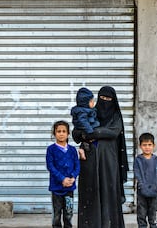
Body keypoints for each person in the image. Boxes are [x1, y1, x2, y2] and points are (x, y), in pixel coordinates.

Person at [72, 85, 129, 228]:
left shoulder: (116, 117)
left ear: (113, 100)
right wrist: (85, 134)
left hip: (109, 161)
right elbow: (75, 133)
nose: (105, 101)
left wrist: (90, 133)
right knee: (90, 194)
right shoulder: (90, 113)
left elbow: (114, 132)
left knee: (108, 193)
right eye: (102, 98)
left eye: (108, 99)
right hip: (89, 161)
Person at [46, 120, 80, 228]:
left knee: (68, 212)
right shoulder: (51, 149)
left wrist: (73, 177)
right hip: (57, 188)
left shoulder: (72, 150)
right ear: (54, 133)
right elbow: (51, 167)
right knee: (57, 213)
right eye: (58, 131)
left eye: (64, 131)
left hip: (69, 188)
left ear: (68, 134)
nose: (61, 133)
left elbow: (77, 165)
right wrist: (62, 179)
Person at [133, 133, 157, 228]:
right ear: (140, 146)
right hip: (142, 191)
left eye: (149, 145)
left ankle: (153, 225)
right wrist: (143, 186)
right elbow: (137, 174)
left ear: (153, 146)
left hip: (154, 190)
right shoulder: (138, 160)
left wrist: (156, 185)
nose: (147, 147)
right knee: (141, 212)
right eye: (144, 145)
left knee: (153, 212)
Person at [70, 87, 100, 160]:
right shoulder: (82, 111)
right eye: (91, 101)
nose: (93, 103)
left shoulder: (86, 110)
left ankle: (84, 148)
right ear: (86, 103)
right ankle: (83, 150)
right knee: (88, 140)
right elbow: (83, 121)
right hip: (86, 128)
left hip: (86, 127)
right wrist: (90, 131)